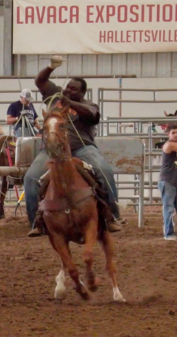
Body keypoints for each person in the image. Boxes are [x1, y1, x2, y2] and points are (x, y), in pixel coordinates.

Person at [25, 55, 123, 237]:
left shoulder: (88, 105)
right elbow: (40, 80)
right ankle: (36, 222)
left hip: (82, 148)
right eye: (68, 87)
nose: (68, 90)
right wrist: (50, 67)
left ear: (82, 93)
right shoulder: (54, 94)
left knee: (104, 171)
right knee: (30, 178)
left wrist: (71, 104)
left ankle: (112, 216)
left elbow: (93, 115)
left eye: (74, 89)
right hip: (52, 150)